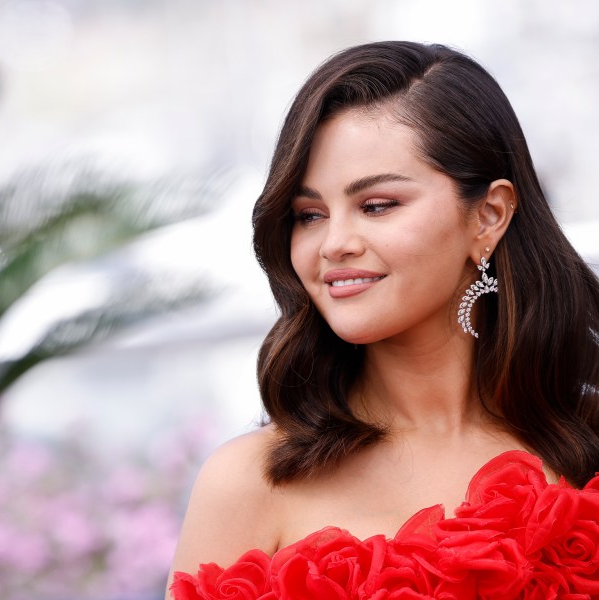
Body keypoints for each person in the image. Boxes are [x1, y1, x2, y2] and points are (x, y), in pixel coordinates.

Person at [166, 41, 599, 599]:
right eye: (309, 215)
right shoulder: (250, 482)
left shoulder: (582, 443)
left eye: (377, 206)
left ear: (488, 216)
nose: (335, 244)